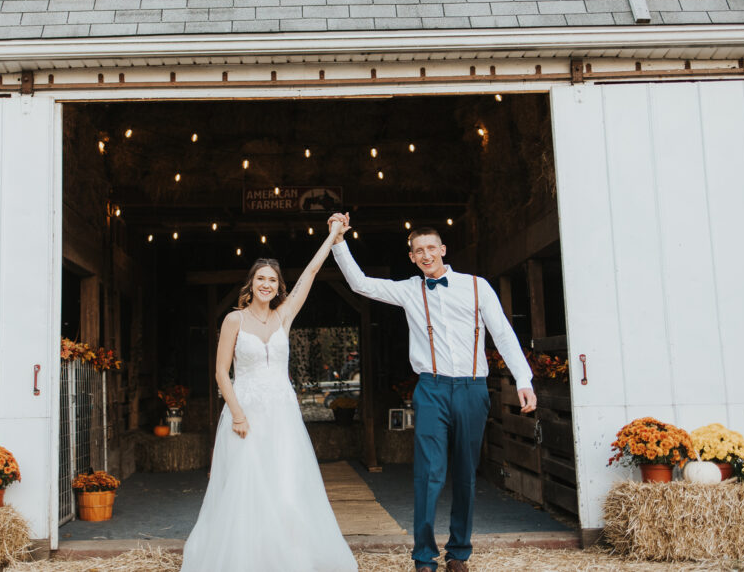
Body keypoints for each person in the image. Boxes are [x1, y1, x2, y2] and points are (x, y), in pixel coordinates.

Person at [327, 212, 537, 572]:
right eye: (417, 251)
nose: (425, 255)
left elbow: (502, 333)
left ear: (443, 248)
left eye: (430, 248)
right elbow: (361, 284)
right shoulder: (409, 290)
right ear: (411, 257)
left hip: (472, 388)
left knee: (466, 473)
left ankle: (459, 553)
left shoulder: (477, 286)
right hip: (432, 389)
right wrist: (339, 241)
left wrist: (523, 380)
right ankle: (424, 557)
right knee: (429, 473)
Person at [181, 222, 357, 572]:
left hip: (282, 413)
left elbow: (310, 273)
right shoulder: (234, 320)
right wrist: (238, 414)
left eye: (273, 280)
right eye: (261, 278)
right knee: (246, 488)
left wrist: (331, 237)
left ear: (279, 287)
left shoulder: (283, 316)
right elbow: (220, 372)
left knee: (285, 485)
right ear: (251, 284)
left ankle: (285, 556)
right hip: (245, 413)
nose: (266, 284)